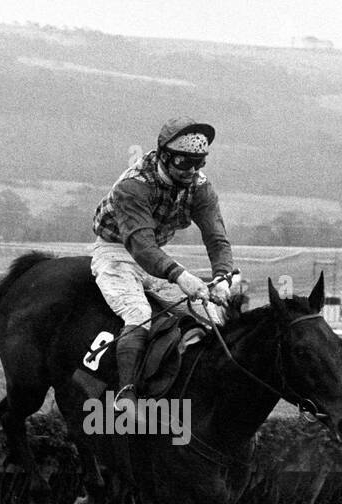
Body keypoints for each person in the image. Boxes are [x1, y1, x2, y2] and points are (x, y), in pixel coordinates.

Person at [91, 117, 235, 406]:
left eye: (199, 162)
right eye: (184, 163)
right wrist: (181, 276)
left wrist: (222, 277)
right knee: (138, 312)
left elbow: (217, 238)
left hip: (156, 254)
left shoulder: (201, 187)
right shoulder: (133, 186)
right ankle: (126, 394)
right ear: (165, 157)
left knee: (210, 314)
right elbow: (141, 245)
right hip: (117, 251)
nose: (192, 171)